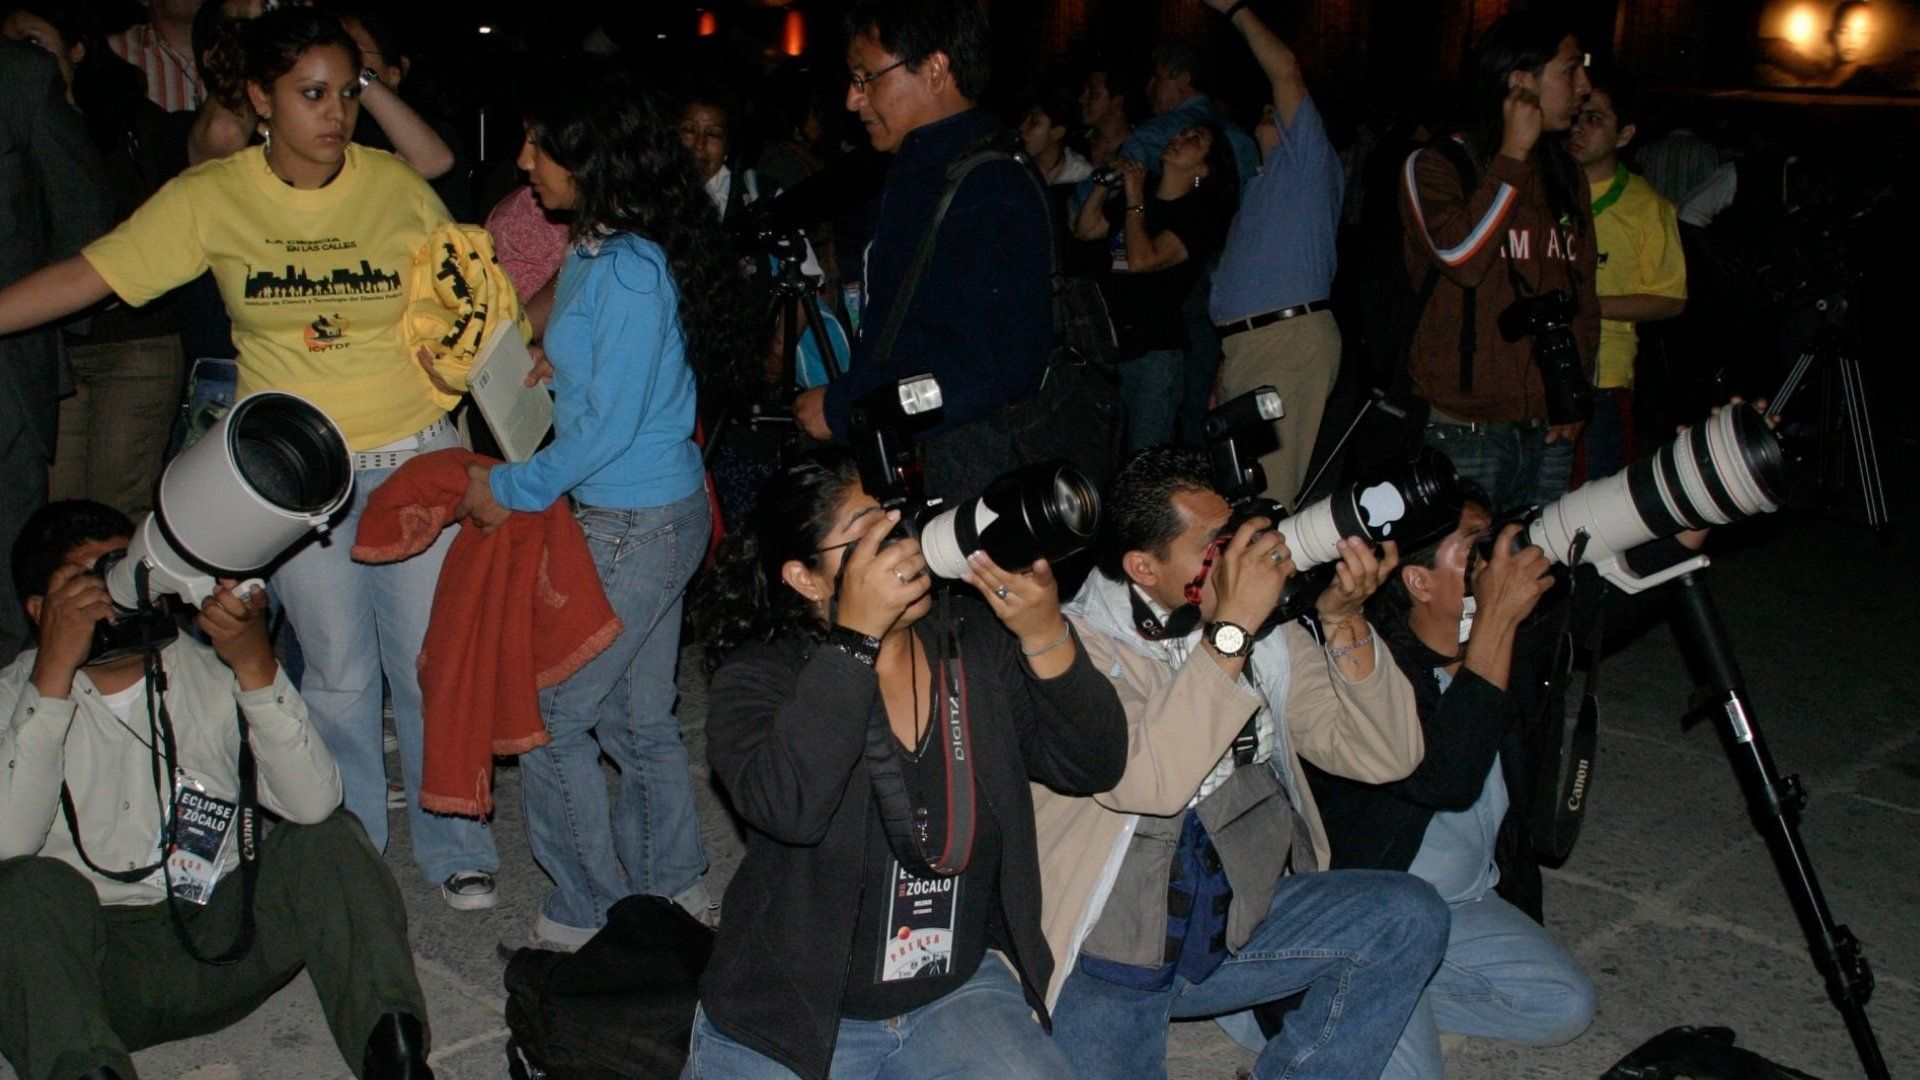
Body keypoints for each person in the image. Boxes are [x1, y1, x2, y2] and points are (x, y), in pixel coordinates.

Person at [0, 8, 501, 906]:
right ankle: (347, 841)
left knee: (430, 665)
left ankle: (454, 837)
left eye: (346, 93)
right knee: (338, 671)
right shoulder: (213, 195)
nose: (334, 115)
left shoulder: (393, 186)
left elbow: (467, 305)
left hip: (418, 455)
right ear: (261, 100)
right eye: (312, 95)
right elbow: (96, 273)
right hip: (293, 481)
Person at [688, 447, 1128, 1078]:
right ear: (806, 578)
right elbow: (790, 809)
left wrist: (1044, 632)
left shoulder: (970, 644)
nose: (901, 547)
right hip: (791, 1013)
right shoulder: (760, 679)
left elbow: (1093, 764)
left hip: (951, 992)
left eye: (896, 524)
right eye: (867, 537)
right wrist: (856, 641)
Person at [1039, 445, 1448, 1078]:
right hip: (1111, 948)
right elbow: (1150, 782)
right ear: (1143, 567)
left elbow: (1386, 755)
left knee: (1408, 916)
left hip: (1231, 925)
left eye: (1231, 536)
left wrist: (1343, 620)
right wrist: (1230, 628)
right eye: (1211, 546)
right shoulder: (1073, 649)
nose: (1236, 560)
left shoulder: (1266, 633)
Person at [454, 67, 745, 947]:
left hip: (634, 524)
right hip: (646, 515)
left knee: (549, 719)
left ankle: (590, 910)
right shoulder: (595, 247)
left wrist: (504, 489)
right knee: (636, 716)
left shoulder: (625, 269)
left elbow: (610, 432)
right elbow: (625, 386)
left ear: (592, 156)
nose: (524, 159)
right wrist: (557, 369)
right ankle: (673, 886)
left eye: (542, 144)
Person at [0, 500, 432, 1080]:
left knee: (329, 840)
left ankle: (396, 1058)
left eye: (125, 572)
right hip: (88, 978)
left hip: (223, 939)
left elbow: (312, 805)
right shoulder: (11, 697)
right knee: (20, 890)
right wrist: (50, 678)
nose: (118, 596)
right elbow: (8, 842)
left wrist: (256, 666)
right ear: (39, 609)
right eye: (90, 582)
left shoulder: (206, 666)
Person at [1311, 497, 1597, 1078]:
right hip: (1377, 921)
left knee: (1564, 1006)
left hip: (1464, 905)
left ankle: (1343, 1004)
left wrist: (1712, 486)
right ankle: (1302, 994)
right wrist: (1494, 620)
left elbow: (1622, 592)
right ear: (1418, 580)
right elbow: (1447, 773)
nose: (1494, 559)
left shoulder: (1508, 643)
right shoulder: (1373, 671)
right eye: (1473, 545)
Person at [791, 0, 1054, 496]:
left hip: (962, 467)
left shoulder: (986, 184)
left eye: (866, 77)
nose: (853, 100)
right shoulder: (931, 168)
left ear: (934, 70)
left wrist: (845, 409)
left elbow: (992, 364)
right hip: (923, 452)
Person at [1400, 12, 1598, 515]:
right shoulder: (1437, 166)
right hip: (1466, 431)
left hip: (1551, 427)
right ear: (1520, 82)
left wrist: (1576, 395)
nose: (1585, 86)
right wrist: (1512, 154)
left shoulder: (1563, 173)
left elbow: (1583, 293)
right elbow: (1461, 258)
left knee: (1531, 577)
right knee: (1455, 584)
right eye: (1571, 70)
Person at [5, 1, 186, 522]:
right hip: (49, 341)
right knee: (57, 515)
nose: (24, 56)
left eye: (33, 41)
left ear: (75, 49)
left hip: (131, 341)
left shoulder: (125, 117)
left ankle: (126, 604)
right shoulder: (20, 124)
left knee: (117, 503)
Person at [1204, 0, 1346, 508]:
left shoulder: (1306, 162)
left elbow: (1285, 71)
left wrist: (1237, 10)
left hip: (1287, 342)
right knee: (1240, 494)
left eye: (1276, 110)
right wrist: (1225, 370)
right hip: (1251, 348)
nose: (1271, 111)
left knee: (1266, 498)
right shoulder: (1262, 187)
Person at [0, 39, 114, 668]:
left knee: (3, 593)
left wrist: (48, 337)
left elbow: (81, 214)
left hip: (3, 372)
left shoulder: (18, 75)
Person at [1072, 124, 1237, 453]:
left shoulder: (1199, 215)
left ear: (1203, 169)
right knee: (1100, 453)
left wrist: (1133, 196)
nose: (1178, 137)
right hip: (1108, 346)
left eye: (1193, 140)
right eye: (1180, 133)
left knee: (1144, 459)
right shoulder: (1144, 196)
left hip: (1152, 354)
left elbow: (1143, 259)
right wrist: (1105, 184)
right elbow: (1086, 229)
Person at [1566, 70, 1685, 480]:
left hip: (1604, 376)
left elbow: (1670, 298)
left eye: (1595, 118)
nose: (1578, 127)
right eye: (1576, 116)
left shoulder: (1647, 207)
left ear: (1624, 134)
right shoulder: (1545, 189)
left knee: (1590, 505)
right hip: (1530, 376)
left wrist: (1589, 307)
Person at [1017, 83, 1092, 186]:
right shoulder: (1014, 163)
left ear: (1057, 132)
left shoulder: (1081, 175)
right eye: (1025, 119)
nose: (1022, 127)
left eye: (1034, 122)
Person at [1079, 61, 1132, 171]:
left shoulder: (1138, 152)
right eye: (1084, 91)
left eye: (1093, 94)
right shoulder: (1074, 143)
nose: (1082, 99)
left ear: (1117, 102)